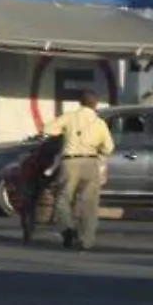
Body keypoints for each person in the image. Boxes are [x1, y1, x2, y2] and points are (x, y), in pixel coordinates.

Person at [45, 91, 115, 251]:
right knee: (89, 204)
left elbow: (47, 128)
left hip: (70, 162)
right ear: (95, 104)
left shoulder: (69, 117)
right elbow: (109, 147)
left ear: (80, 102)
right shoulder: (99, 123)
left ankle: (67, 228)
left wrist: (63, 133)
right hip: (91, 162)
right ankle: (86, 241)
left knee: (62, 199)